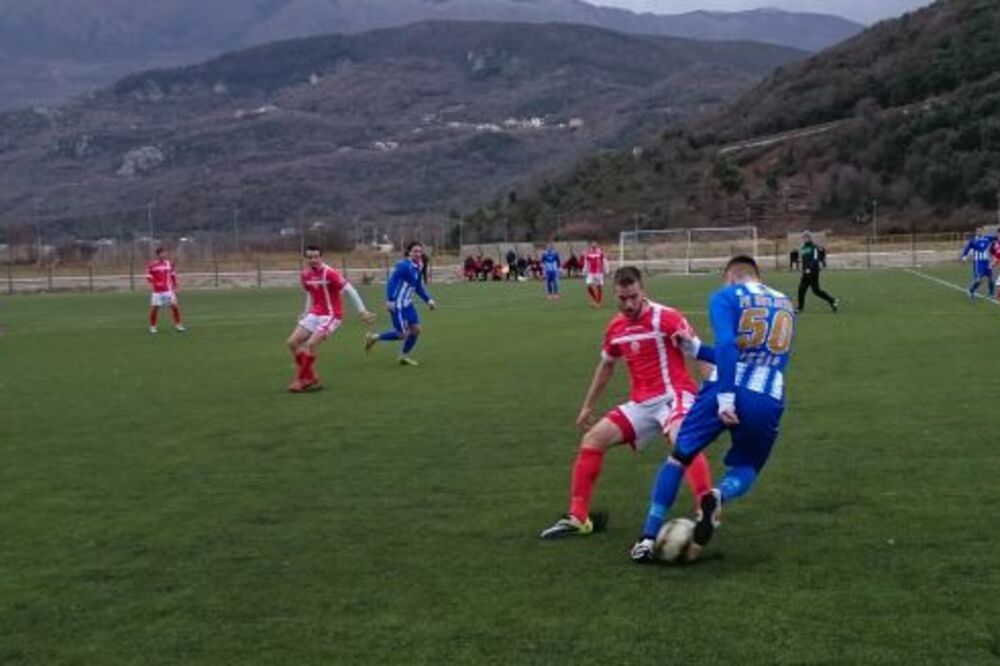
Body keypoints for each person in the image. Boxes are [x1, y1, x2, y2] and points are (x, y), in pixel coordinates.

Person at [630, 256, 795, 562]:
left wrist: (727, 397)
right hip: (767, 395)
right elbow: (758, 357)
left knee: (679, 458)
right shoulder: (785, 303)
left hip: (723, 388)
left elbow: (730, 348)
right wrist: (695, 349)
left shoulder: (725, 296)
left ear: (730, 277)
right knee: (748, 466)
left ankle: (647, 537)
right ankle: (718, 495)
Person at [539, 266, 713, 539]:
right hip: (641, 404)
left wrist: (714, 392)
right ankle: (578, 518)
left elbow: (700, 353)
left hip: (675, 395)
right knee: (593, 440)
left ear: (643, 291)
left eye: (634, 296)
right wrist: (587, 406)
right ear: (615, 295)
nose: (629, 304)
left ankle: (707, 509)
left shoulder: (667, 318)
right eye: (623, 298)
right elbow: (606, 366)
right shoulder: (615, 327)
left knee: (684, 441)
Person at [287, 245, 375, 393]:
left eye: (316, 256)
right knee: (292, 343)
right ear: (306, 258)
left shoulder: (330, 273)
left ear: (321, 257)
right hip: (315, 314)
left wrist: (362, 311)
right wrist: (306, 312)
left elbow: (350, 290)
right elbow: (310, 293)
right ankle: (311, 377)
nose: (313, 260)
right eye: (310, 257)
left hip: (331, 315)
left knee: (309, 345)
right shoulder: (305, 275)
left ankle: (302, 380)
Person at [365, 241, 437, 366]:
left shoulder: (419, 265)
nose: (418, 254)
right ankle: (374, 337)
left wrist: (428, 299)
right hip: (397, 304)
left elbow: (418, 286)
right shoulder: (403, 265)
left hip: (407, 304)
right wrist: (390, 300)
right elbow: (391, 282)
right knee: (402, 334)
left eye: (420, 251)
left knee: (415, 330)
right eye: (415, 251)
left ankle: (403, 356)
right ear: (409, 252)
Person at [146, 246, 185, 333]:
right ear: (158, 254)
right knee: (155, 308)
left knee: (175, 307)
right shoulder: (152, 265)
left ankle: (178, 325)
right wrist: (155, 282)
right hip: (157, 291)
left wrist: (175, 285)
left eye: (165, 253)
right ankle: (152, 326)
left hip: (168, 290)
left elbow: (173, 275)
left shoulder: (169, 264)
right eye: (162, 253)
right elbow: (148, 277)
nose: (164, 255)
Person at [796, 231, 838, 313]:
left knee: (816, 291)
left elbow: (815, 259)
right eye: (804, 237)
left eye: (807, 237)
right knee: (801, 289)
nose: (805, 238)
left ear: (810, 238)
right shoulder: (803, 248)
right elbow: (804, 260)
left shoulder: (814, 247)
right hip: (805, 272)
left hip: (813, 271)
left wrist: (810, 269)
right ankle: (800, 307)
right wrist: (803, 267)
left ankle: (832, 300)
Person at [961, 228, 998, 299]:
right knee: (979, 279)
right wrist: (964, 256)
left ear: (982, 232)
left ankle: (991, 293)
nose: (979, 232)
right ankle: (971, 290)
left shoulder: (986, 238)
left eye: (980, 231)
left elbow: (996, 237)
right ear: (976, 232)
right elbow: (967, 248)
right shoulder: (973, 241)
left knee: (990, 278)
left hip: (986, 261)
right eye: (978, 231)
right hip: (978, 262)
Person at [583, 241, 609, 306]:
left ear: (597, 246)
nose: (593, 247)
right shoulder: (588, 253)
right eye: (592, 246)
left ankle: (598, 302)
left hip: (599, 272)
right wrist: (584, 270)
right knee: (588, 285)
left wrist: (606, 270)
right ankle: (595, 299)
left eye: (595, 246)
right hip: (590, 273)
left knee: (599, 287)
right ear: (591, 246)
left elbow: (604, 261)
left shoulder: (600, 253)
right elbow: (586, 263)